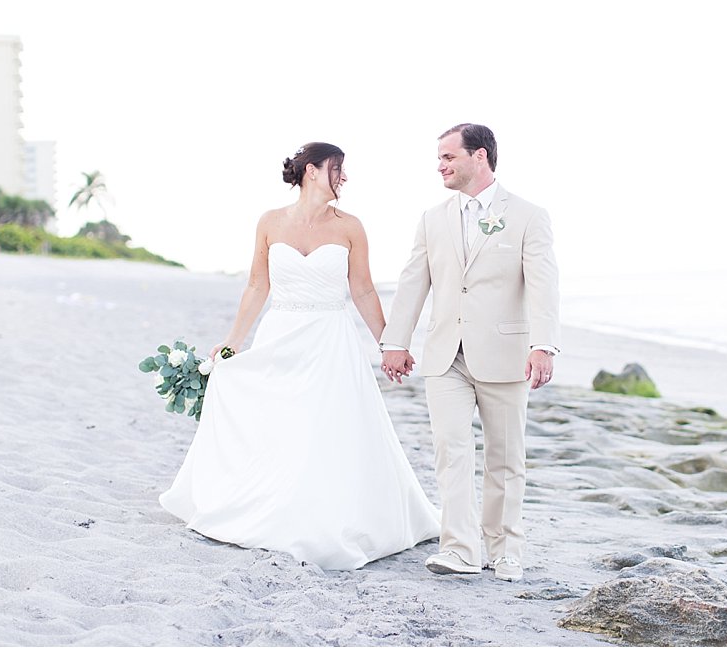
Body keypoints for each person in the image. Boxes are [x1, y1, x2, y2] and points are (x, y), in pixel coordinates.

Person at [159, 142, 440, 571]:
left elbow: (362, 289)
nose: (343, 178)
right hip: (281, 334)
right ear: (312, 171)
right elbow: (257, 285)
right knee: (279, 424)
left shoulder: (351, 227)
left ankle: (322, 516)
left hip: (330, 340)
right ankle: (270, 507)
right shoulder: (270, 222)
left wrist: (390, 344)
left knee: (324, 428)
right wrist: (233, 342)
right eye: (337, 169)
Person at [379, 124, 561, 582]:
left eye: (448, 157)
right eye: (438, 159)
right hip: (444, 356)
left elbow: (543, 286)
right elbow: (413, 281)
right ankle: (459, 549)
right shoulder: (431, 218)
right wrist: (396, 342)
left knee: (504, 458)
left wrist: (543, 345)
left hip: (506, 354)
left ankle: (504, 550)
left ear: (479, 156)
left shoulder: (527, 216)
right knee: (450, 451)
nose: (440, 165)